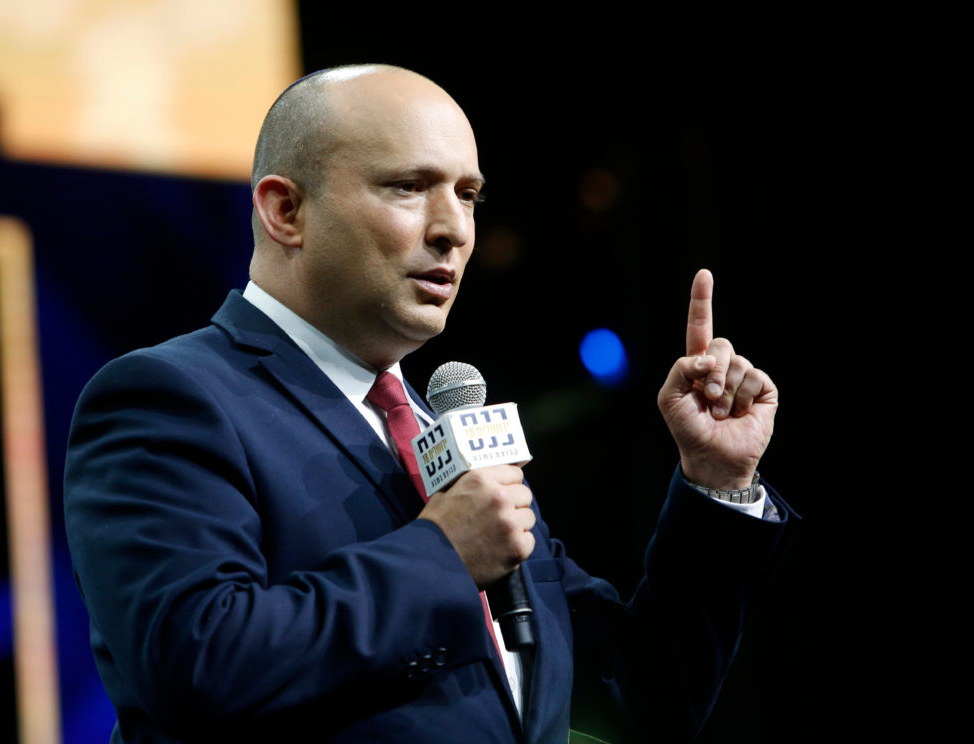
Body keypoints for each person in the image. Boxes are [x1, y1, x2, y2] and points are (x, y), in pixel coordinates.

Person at [64, 64, 797, 744]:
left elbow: (637, 695)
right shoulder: (169, 399)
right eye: (409, 186)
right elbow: (197, 666)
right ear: (286, 210)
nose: (453, 229)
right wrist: (443, 554)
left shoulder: (445, 432)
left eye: (468, 194)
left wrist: (716, 483)